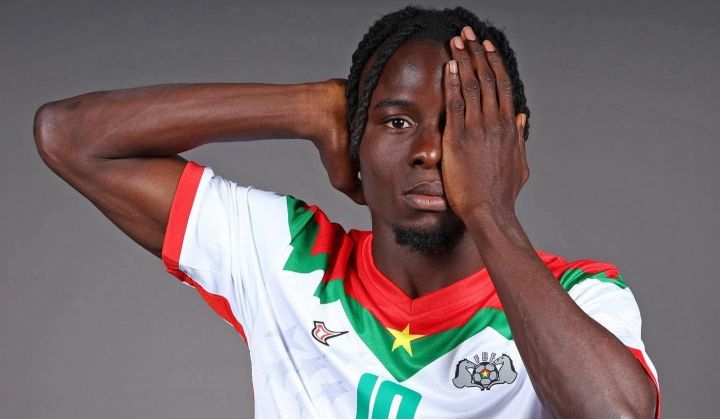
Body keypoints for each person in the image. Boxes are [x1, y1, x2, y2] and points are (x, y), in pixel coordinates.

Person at [33, 5, 659, 419]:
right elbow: (70, 136)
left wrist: (490, 213)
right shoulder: (287, 256)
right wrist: (308, 107)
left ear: (510, 147)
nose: (429, 150)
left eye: (461, 126)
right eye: (396, 121)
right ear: (357, 140)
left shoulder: (581, 297)